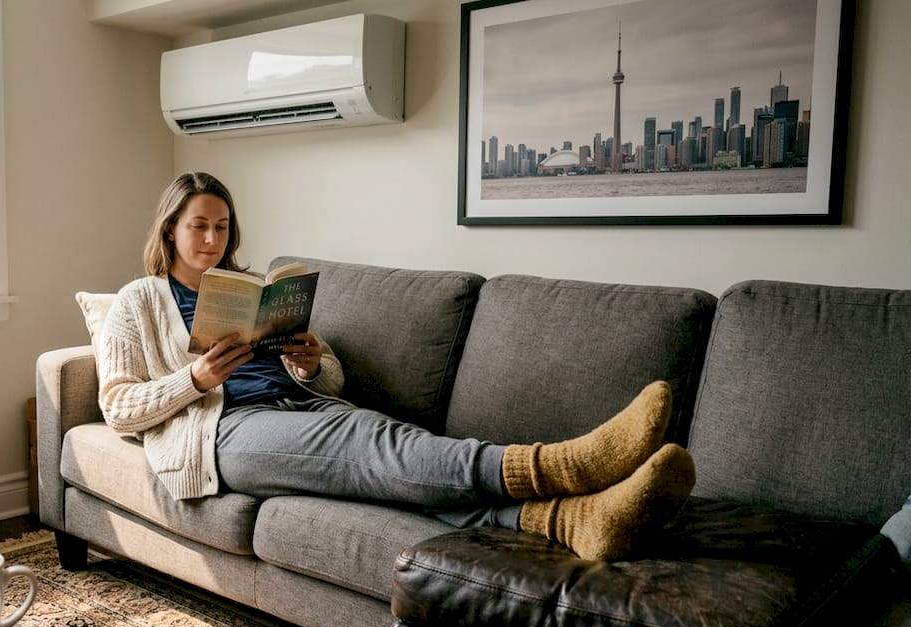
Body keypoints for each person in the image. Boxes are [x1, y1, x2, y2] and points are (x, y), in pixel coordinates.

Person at [94, 171, 695, 561]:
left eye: (222, 227)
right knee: (374, 441)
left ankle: (572, 519)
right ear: (170, 231)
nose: (212, 239)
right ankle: (560, 463)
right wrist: (195, 379)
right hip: (223, 432)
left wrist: (311, 364)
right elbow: (117, 407)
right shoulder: (138, 299)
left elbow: (331, 379)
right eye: (198, 226)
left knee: (389, 466)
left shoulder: (254, 289)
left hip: (299, 407)